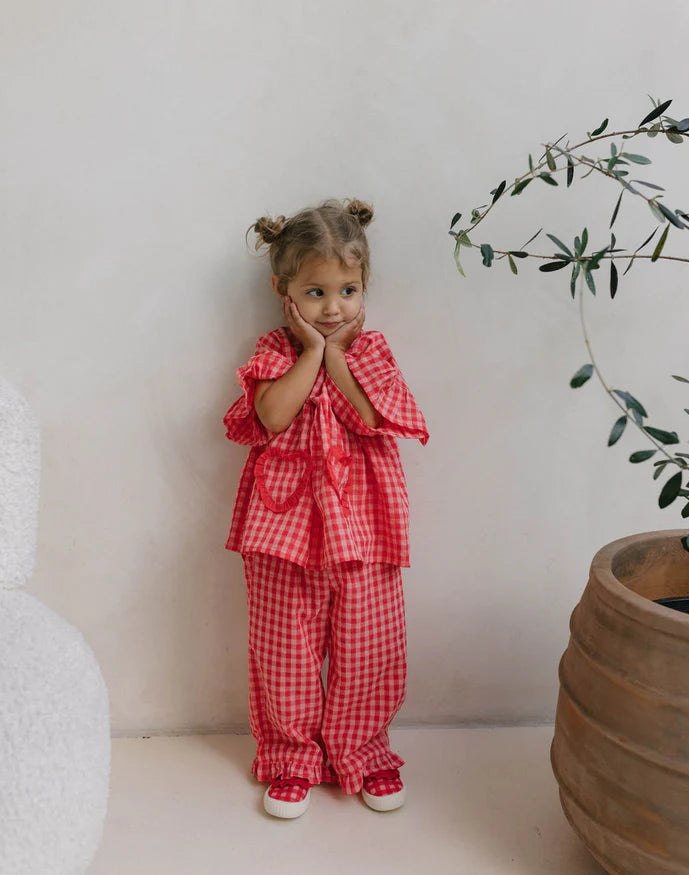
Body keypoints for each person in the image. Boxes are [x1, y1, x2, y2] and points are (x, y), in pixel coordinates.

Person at [223, 197, 429, 819]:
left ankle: (362, 752)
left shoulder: (372, 352)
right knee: (285, 647)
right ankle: (291, 758)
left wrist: (335, 355)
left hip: (364, 528)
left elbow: (369, 417)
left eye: (347, 291)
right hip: (282, 527)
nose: (333, 308)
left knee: (369, 645)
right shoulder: (273, 352)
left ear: (364, 288)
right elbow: (271, 416)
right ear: (283, 291)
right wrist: (312, 351)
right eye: (315, 293)